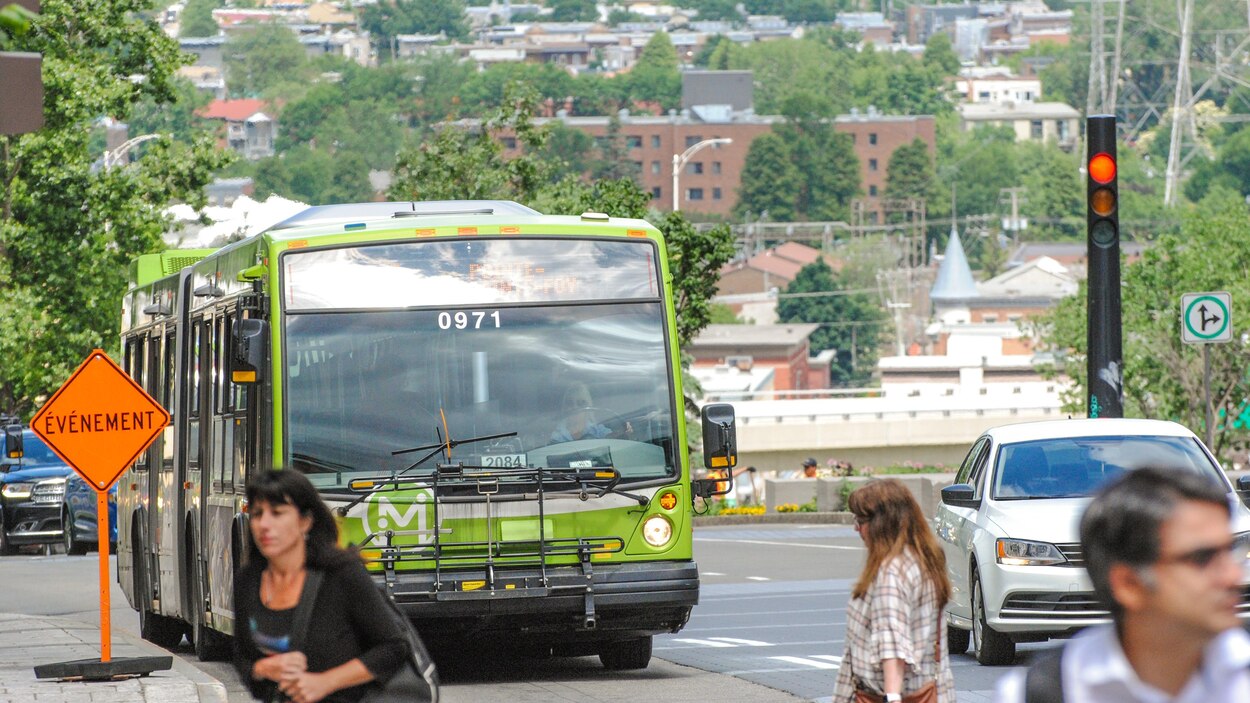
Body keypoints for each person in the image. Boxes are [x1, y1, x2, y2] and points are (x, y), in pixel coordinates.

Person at [993, 467, 1250, 702]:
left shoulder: (1240, 676)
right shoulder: (1046, 692)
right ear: (1129, 584)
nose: (1232, 576)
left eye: (1231, 551)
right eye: (1203, 559)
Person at [233, 469, 409, 703]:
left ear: (305, 521)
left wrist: (325, 682)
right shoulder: (248, 580)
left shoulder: (341, 574)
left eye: (277, 513)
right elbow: (242, 656)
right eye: (257, 514)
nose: (264, 524)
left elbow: (394, 647)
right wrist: (262, 669)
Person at [833, 479, 956, 703]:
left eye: (861, 520)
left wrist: (892, 696)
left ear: (883, 523)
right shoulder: (923, 561)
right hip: (933, 689)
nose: (856, 528)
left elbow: (892, 644)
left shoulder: (892, 572)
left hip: (882, 694)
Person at [551, 381, 627, 442]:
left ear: (588, 406)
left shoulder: (597, 430)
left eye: (581, 403)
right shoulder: (556, 437)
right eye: (570, 403)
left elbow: (614, 440)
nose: (575, 407)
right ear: (565, 406)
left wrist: (623, 431)